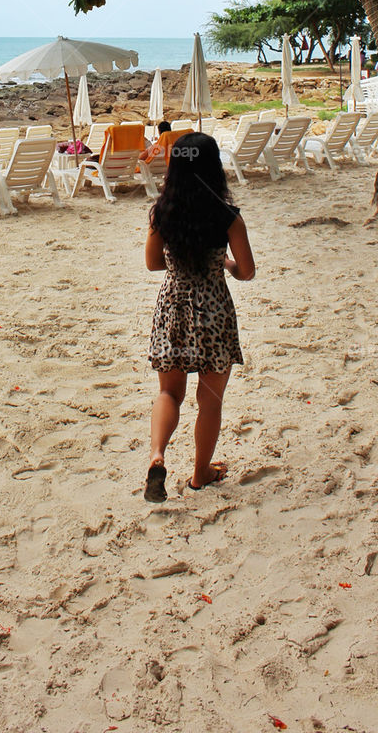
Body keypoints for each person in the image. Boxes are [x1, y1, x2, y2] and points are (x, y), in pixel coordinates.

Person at [143, 132, 255, 502]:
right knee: (210, 400)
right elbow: (247, 271)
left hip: (173, 308)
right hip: (213, 313)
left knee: (168, 393)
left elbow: (153, 263)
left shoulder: (162, 213)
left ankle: (158, 455)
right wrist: (223, 264)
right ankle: (199, 473)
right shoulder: (226, 216)